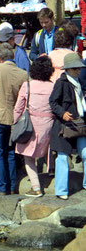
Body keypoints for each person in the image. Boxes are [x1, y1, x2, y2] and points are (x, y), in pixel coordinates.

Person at [0, 43, 28, 195]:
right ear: (13, 56)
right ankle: (11, 185)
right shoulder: (22, 74)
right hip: (12, 117)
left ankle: (0, 187)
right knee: (9, 152)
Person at [13, 56, 55, 197]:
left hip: (31, 123)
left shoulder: (28, 85)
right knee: (49, 151)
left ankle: (36, 187)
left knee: (28, 157)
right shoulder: (53, 85)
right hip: (49, 123)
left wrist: (15, 122)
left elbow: (18, 108)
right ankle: (51, 173)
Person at [49, 53, 86, 200]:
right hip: (64, 126)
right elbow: (52, 102)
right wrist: (62, 113)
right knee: (62, 157)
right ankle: (61, 190)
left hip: (80, 124)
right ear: (69, 69)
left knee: (85, 153)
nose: (79, 71)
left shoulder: (78, 82)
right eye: (76, 68)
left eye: (79, 68)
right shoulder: (61, 82)